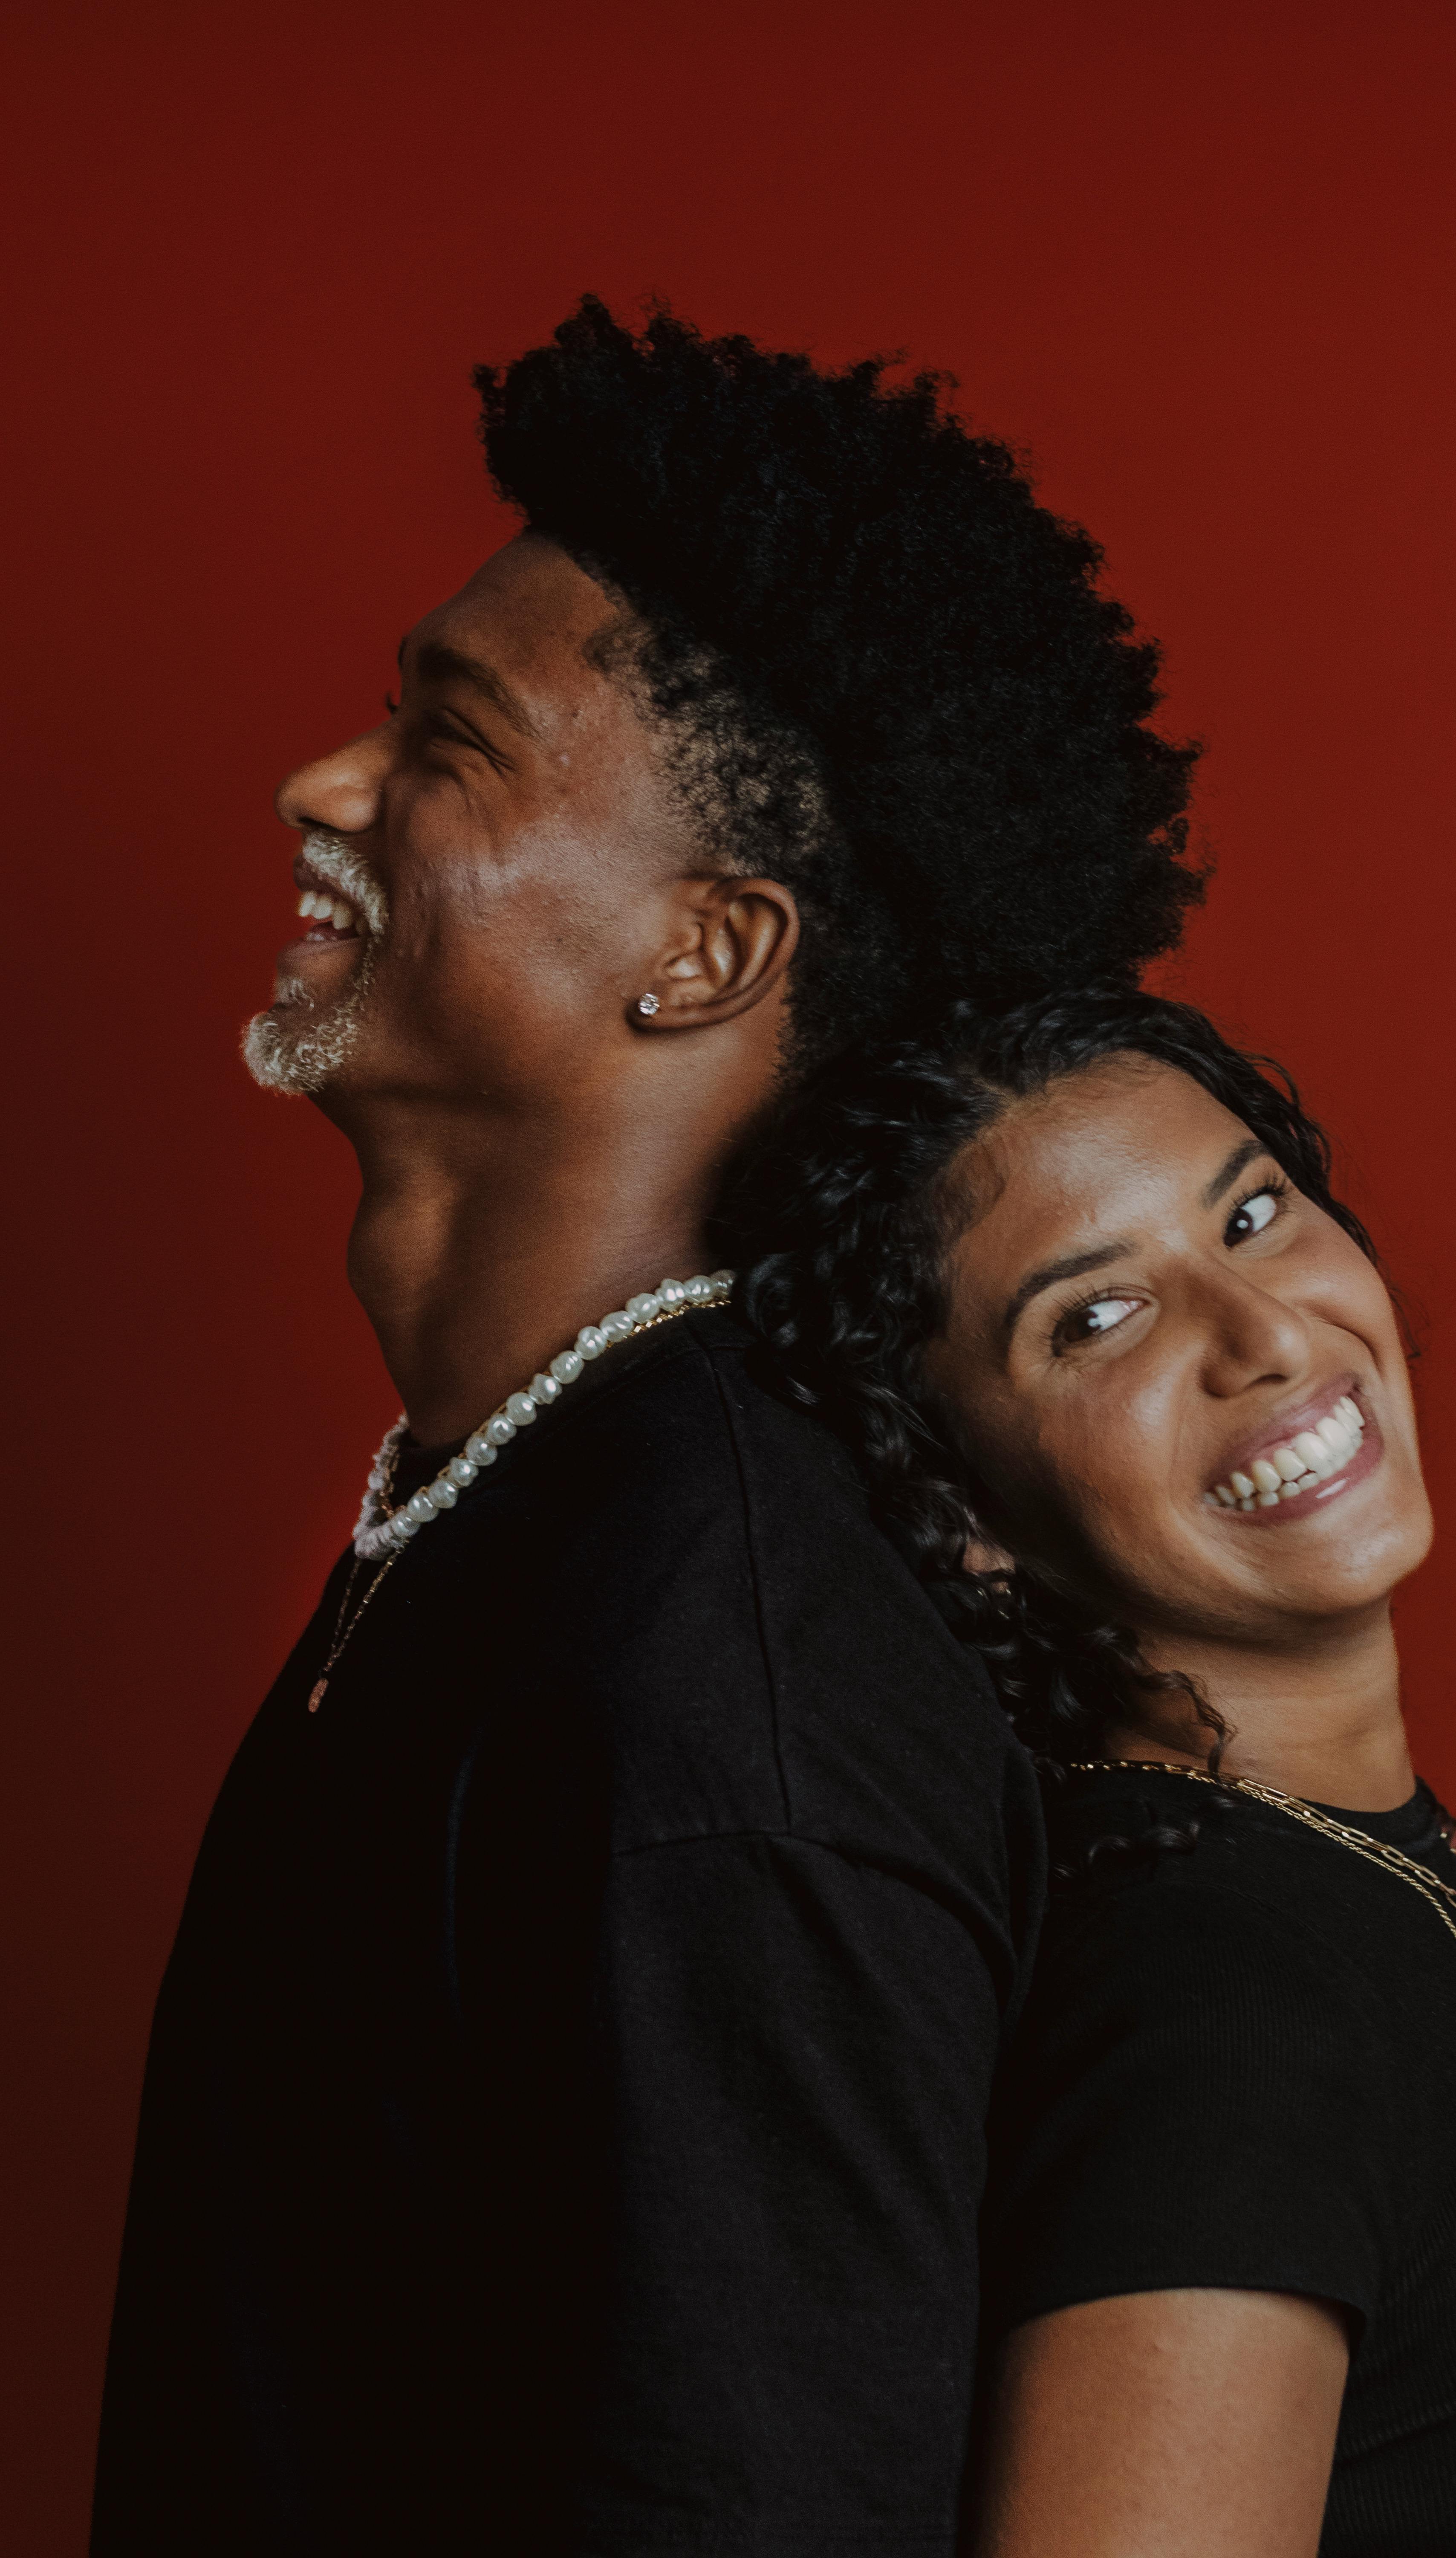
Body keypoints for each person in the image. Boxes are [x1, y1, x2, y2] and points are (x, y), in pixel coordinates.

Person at [91, 305, 1204, 2554]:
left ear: (700, 956)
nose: (325, 789)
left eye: (445, 742)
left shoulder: (718, 1690)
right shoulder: (521, 1528)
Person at [739, 983, 1456, 2558]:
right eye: (1096, 1317)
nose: (1265, 1337)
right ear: (956, 1510)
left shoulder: (1366, 1891)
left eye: (1253, 1214)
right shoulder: (1218, 1999)